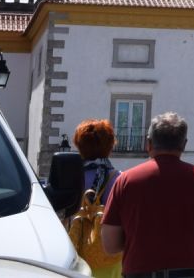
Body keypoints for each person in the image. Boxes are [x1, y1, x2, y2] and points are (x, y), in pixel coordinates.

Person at [100, 111, 194, 276]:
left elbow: (110, 245)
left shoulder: (125, 181)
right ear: (184, 144)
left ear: (148, 144)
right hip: (190, 273)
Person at [71, 119, 122, 278]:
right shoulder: (118, 179)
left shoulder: (71, 178)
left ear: (79, 146)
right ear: (110, 146)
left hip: (75, 255)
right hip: (109, 258)